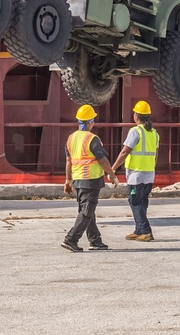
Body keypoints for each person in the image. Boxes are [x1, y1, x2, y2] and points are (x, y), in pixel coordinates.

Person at [62, 104, 119, 252]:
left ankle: (95, 241)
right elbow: (103, 160)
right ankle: (71, 239)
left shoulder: (71, 138)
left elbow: (68, 161)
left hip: (78, 180)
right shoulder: (92, 138)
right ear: (90, 122)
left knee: (88, 211)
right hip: (91, 180)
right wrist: (112, 176)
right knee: (87, 211)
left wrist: (68, 180)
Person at [111, 100, 160, 242]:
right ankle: (139, 230)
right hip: (149, 174)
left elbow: (124, 151)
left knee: (134, 201)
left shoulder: (135, 131)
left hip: (136, 174)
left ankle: (146, 231)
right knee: (142, 201)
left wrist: (113, 168)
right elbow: (156, 155)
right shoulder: (154, 133)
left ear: (136, 116)